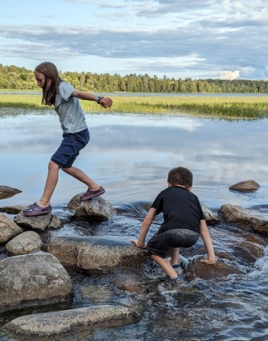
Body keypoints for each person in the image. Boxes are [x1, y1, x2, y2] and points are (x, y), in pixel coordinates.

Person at [23, 62, 113, 217]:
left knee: (53, 164)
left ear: (50, 77)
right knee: (65, 165)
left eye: (40, 80)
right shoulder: (56, 90)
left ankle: (43, 203)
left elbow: (78, 93)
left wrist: (98, 99)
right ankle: (94, 187)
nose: (38, 84)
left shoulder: (62, 87)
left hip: (76, 135)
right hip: (75, 134)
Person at [131, 166, 216, 280]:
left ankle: (174, 275)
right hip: (193, 237)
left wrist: (141, 243)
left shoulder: (165, 193)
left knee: (153, 248)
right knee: (176, 231)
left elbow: (148, 220)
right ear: (190, 187)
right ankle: (175, 264)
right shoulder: (194, 198)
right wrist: (211, 258)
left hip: (171, 233)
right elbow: (204, 231)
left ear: (168, 183)